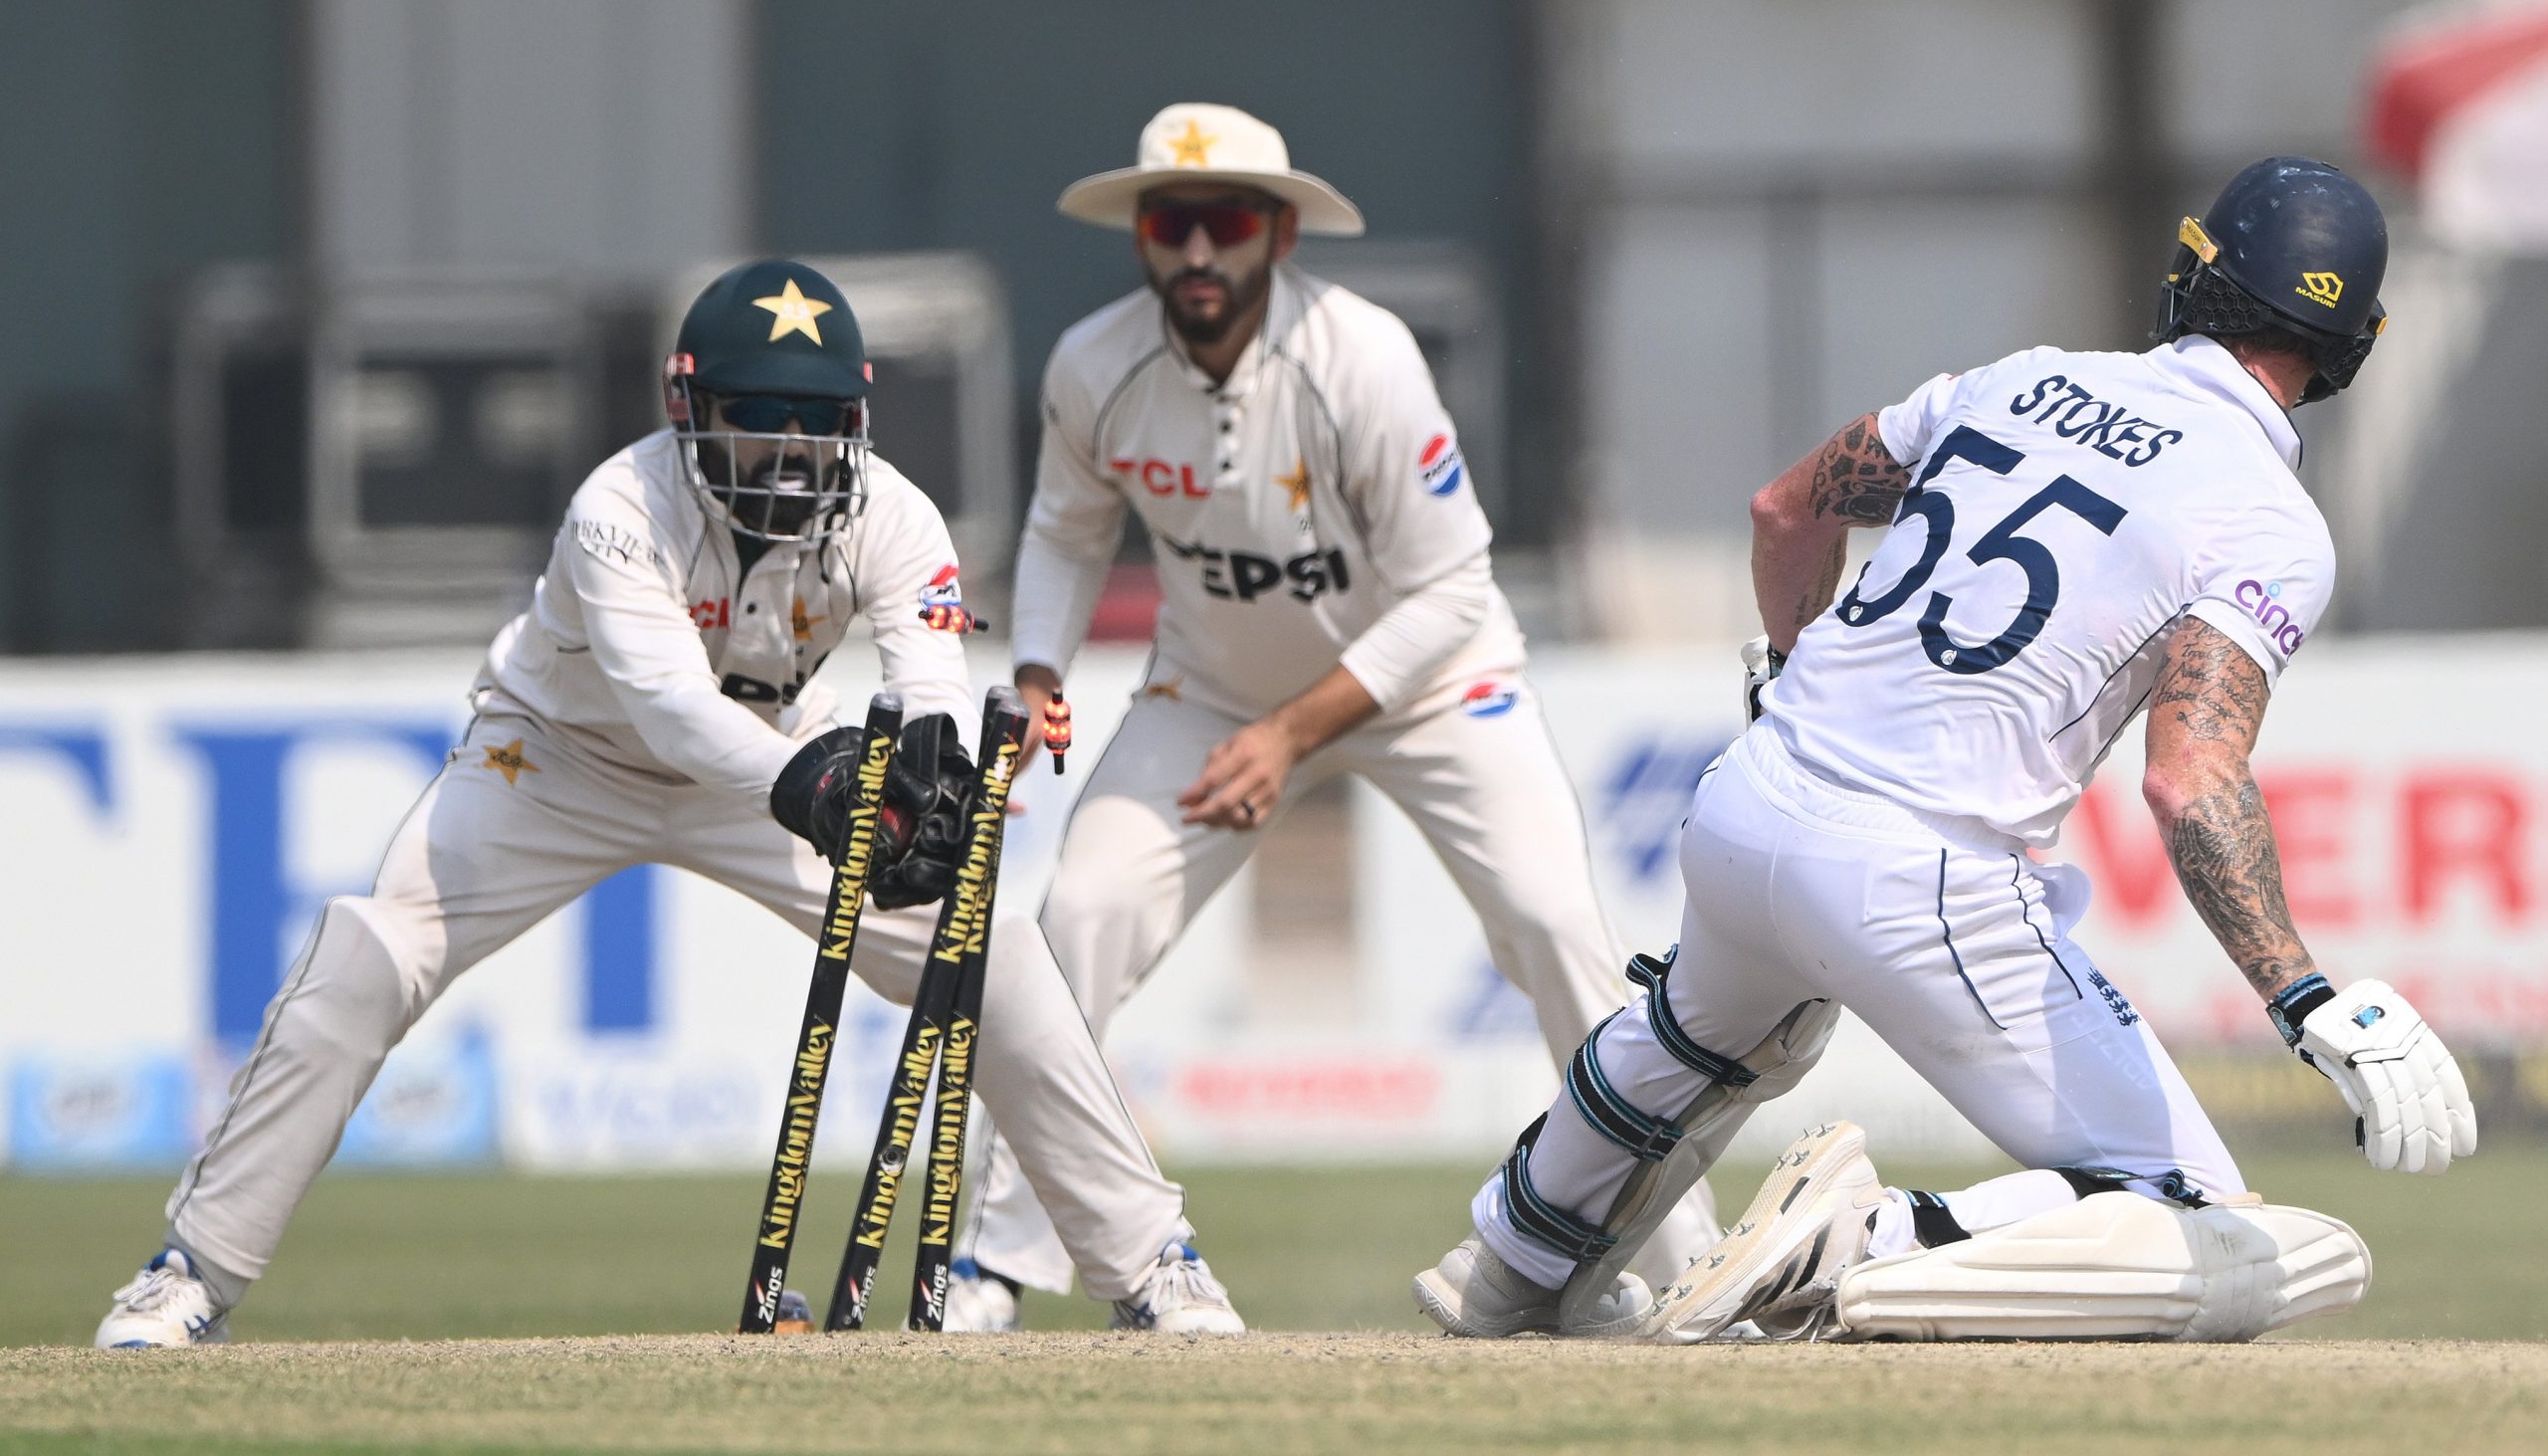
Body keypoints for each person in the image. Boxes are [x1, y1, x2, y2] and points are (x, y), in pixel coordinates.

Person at [1415, 157, 2477, 1345]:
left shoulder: (2024, 379)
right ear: (2351, 345)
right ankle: (1859, 1239)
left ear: (2195, 275)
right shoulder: (2272, 522)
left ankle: (1504, 1265)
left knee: (1693, 1036)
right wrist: (2304, 993)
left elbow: (1784, 510)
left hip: (1751, 794)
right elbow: (2189, 779)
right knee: (2200, 1217)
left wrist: (1788, 679)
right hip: (1921, 869)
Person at [94, 260, 1239, 1348]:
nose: (788, 447)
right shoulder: (618, 508)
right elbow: (668, 708)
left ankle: (1153, 1266)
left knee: (988, 950)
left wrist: (928, 777)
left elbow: (927, 680)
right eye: (756, 410)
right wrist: (823, 784)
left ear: (858, 415)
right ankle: (188, 1271)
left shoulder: (897, 514)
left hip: (777, 752)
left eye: (815, 415)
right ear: (687, 403)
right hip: (554, 759)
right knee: (370, 952)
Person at [942, 103, 1717, 1333]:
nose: (1198, 252)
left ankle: (1688, 1264)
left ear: (1279, 232)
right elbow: (1064, 529)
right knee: (1077, 920)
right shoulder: (1094, 364)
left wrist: (1293, 732)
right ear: (1143, 234)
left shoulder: (1360, 355)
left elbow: (1454, 582)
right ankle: (989, 1267)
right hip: (1210, 688)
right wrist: (1037, 665)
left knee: (1551, 920)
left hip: (1435, 685)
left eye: (1227, 222)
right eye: (1172, 223)